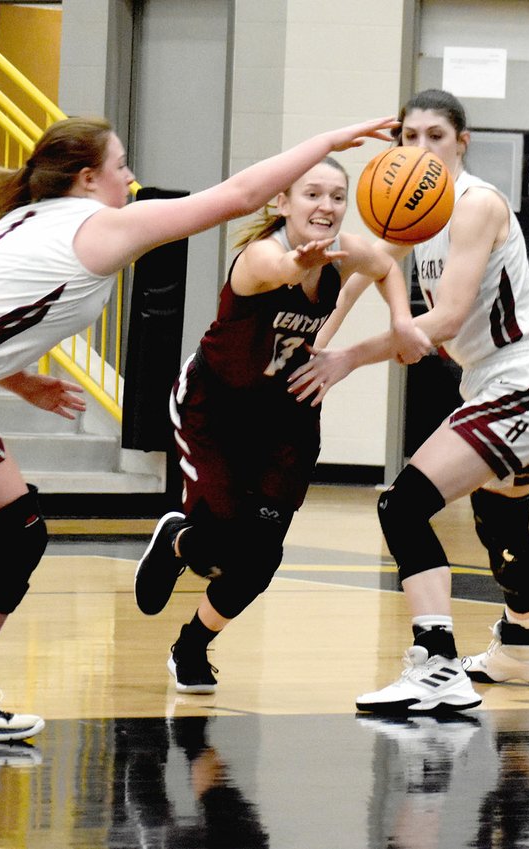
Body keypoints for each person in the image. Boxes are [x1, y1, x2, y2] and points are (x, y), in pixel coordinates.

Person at [0, 113, 402, 740]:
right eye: (122, 165)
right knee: (16, 538)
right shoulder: (106, 226)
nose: (132, 177)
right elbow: (239, 197)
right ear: (90, 178)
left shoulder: (21, 220)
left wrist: (21, 379)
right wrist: (329, 141)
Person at [289, 89, 529, 714]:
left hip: (519, 382)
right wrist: (316, 343)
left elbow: (442, 320)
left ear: (461, 142)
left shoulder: (475, 206)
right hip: (499, 384)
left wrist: (344, 362)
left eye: (434, 136)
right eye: (408, 137)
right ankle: (524, 646)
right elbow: (360, 276)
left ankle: (437, 665)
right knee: (503, 525)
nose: (418, 150)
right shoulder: (413, 214)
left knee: (402, 505)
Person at [133, 155, 431, 694]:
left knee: (261, 559)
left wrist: (402, 322)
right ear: (281, 202)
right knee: (223, 546)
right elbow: (280, 271)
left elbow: (386, 266)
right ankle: (176, 540)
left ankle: (192, 645)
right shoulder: (261, 255)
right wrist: (302, 263)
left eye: (337, 196)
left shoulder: (345, 251)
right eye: (313, 194)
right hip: (214, 412)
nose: (327, 206)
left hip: (287, 420)